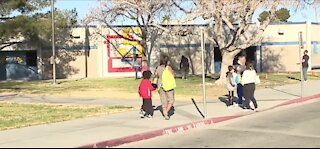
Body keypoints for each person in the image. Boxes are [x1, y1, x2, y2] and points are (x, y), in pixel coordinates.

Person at [153, 54, 175, 120]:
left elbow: (155, 76)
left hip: (160, 85)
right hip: (168, 85)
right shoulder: (168, 68)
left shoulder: (158, 68)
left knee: (163, 101)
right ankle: (166, 112)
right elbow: (173, 76)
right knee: (171, 100)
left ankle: (164, 112)